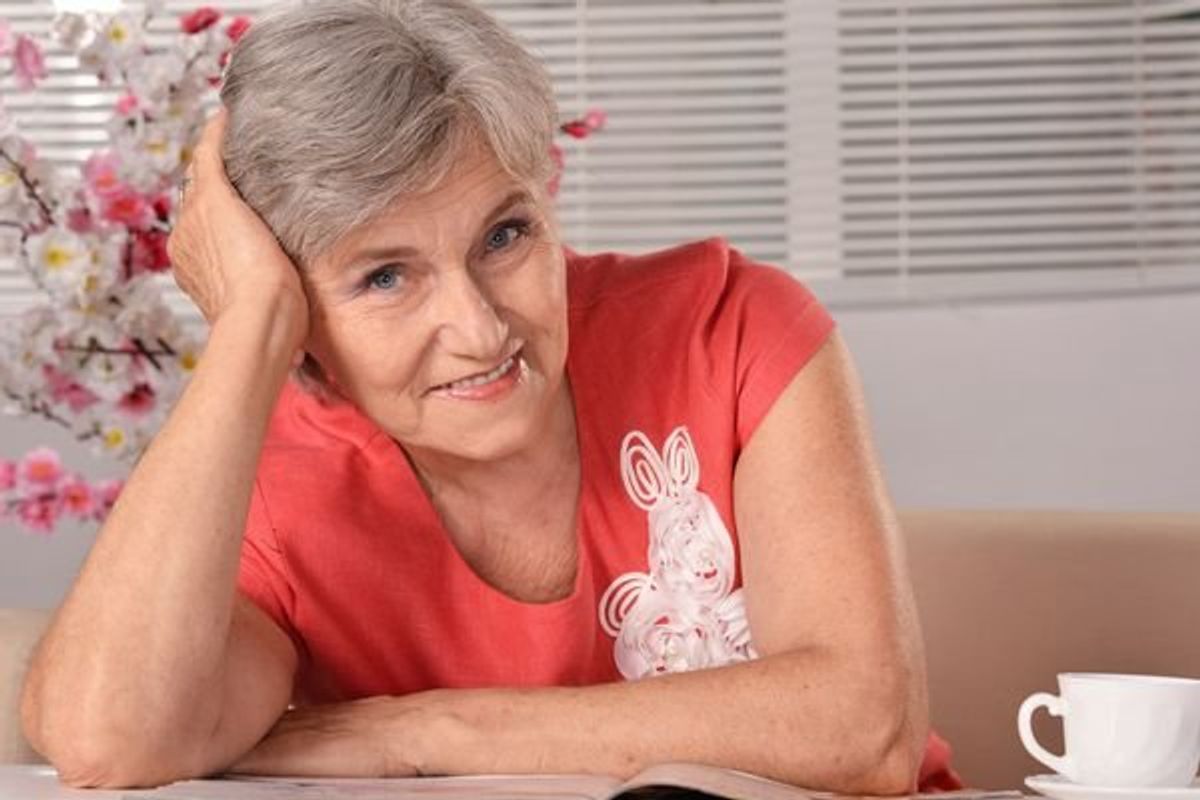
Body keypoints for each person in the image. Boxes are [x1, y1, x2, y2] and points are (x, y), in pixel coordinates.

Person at [19, 0, 960, 792]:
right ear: (297, 304)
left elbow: (864, 727)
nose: (479, 329)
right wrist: (246, 328)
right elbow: (110, 738)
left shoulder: (727, 327)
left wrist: (429, 735)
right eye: (385, 278)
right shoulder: (273, 489)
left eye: (505, 235)